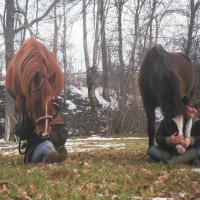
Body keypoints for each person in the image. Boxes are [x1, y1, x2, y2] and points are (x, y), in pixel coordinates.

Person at [15, 100, 68, 164]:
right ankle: (52, 156)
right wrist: (29, 121)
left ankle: (52, 159)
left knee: (57, 149)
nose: (52, 111)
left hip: (55, 149)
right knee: (47, 144)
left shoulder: (60, 123)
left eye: (55, 109)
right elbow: (20, 133)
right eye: (50, 108)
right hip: (33, 153)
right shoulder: (36, 120)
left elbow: (61, 140)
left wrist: (49, 132)